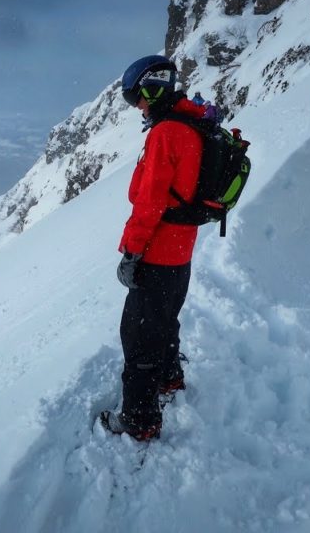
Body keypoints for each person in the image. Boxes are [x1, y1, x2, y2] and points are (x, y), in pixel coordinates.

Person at [100, 54, 210, 441]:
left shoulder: (166, 134)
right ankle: (169, 378)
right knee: (165, 317)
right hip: (181, 250)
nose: (138, 107)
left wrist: (131, 252)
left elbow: (149, 203)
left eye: (137, 99)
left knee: (138, 336)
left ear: (152, 89)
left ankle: (140, 420)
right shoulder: (192, 124)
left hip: (158, 251)